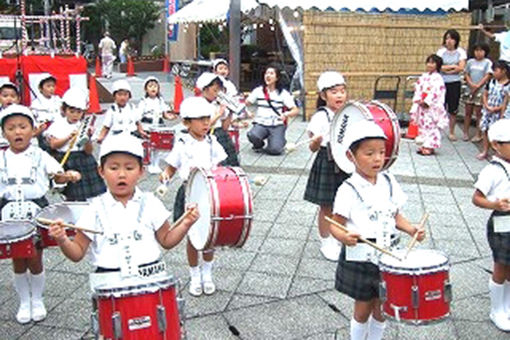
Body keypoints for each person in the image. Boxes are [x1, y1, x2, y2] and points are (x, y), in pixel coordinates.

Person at [48, 133, 199, 302]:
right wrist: (62, 239)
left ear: (141, 171)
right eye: (113, 168)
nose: (121, 174)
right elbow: (77, 253)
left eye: (129, 168)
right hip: (109, 285)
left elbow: (166, 240)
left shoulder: (151, 203)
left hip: (150, 278)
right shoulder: (94, 209)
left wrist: (186, 222)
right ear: (101, 171)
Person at [330, 120, 425, 340]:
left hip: (388, 252)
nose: (377, 159)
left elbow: (396, 216)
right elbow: (335, 224)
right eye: (369, 153)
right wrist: (345, 237)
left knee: (383, 305)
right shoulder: (348, 189)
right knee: (363, 307)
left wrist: (412, 229)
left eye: (382, 152)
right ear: (350, 156)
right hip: (362, 254)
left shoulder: (389, 181)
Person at [0, 104, 80, 324]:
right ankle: (24, 301)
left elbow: (57, 176)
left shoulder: (40, 155)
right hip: (9, 213)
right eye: (11, 128)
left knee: (35, 257)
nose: (17, 132)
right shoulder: (1, 157)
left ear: (32, 130)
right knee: (17, 258)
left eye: (23, 127)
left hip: (35, 211)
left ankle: (38, 299)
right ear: (3, 132)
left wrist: (68, 175)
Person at [160, 96, 227, 297]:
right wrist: (165, 177)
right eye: (200, 119)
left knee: (209, 236)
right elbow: (171, 169)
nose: (206, 123)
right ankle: (194, 274)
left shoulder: (212, 142)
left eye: (207, 118)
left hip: (209, 194)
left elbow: (221, 166)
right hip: (188, 192)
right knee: (192, 237)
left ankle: (207, 273)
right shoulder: (182, 143)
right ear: (187, 122)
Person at [303, 71, 349, 261]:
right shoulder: (320, 117)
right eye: (334, 92)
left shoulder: (348, 114)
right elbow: (312, 148)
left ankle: (340, 236)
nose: (339, 95)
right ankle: (326, 241)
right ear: (323, 96)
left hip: (346, 162)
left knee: (345, 203)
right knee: (327, 205)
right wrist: (316, 141)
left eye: (342, 91)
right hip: (327, 161)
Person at [472, 118, 510, 331]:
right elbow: (476, 198)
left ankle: (507, 307)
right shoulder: (493, 170)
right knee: (501, 266)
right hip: (502, 223)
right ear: (496, 145)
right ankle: (497, 310)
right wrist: (495, 203)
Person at [46, 87, 106, 201]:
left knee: (92, 195)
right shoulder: (57, 124)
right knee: (71, 195)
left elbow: (89, 150)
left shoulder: (84, 125)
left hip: (83, 158)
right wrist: (68, 137)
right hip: (65, 158)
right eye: (71, 111)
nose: (75, 115)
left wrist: (87, 138)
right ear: (64, 110)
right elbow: (53, 145)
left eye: (79, 112)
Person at [246, 64, 299, 155]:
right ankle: (259, 144)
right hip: (261, 123)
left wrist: (285, 114)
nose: (268, 76)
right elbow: (246, 103)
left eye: (271, 73)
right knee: (252, 135)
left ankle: (277, 140)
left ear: (277, 77)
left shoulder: (283, 93)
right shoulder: (258, 91)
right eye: (266, 73)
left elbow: (295, 110)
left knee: (275, 150)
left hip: (276, 125)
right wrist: (247, 112)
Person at [196, 72, 239, 166]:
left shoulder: (217, 103)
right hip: (208, 135)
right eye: (215, 90)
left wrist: (230, 111)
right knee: (219, 162)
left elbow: (225, 127)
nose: (217, 94)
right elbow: (203, 125)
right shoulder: (198, 103)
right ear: (205, 89)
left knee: (231, 159)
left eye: (219, 91)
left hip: (220, 133)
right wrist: (218, 114)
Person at [410, 54, 449, 155]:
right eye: (428, 62)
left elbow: (436, 92)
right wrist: (419, 99)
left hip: (432, 107)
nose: (430, 65)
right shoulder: (424, 76)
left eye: (433, 63)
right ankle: (424, 145)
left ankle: (430, 146)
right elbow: (418, 88)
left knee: (431, 126)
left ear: (437, 65)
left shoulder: (438, 78)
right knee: (423, 125)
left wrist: (427, 102)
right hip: (422, 105)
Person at [436, 29, 467, 141]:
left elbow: (461, 68)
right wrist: (453, 67)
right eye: (447, 38)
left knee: (453, 108)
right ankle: (438, 131)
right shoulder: (440, 52)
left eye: (452, 38)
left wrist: (447, 69)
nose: (449, 41)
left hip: (454, 83)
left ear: (456, 40)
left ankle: (452, 132)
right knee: (440, 107)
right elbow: (439, 67)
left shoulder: (461, 52)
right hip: (441, 82)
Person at [477, 61, 510, 160]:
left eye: (496, 70)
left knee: (498, 132)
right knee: (485, 129)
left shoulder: (508, 85)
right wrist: (486, 105)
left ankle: (498, 151)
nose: (494, 73)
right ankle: (485, 150)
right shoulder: (491, 82)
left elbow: (506, 101)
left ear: (504, 71)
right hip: (488, 110)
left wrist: (498, 109)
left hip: (499, 112)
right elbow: (485, 94)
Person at [97, 79, 146, 143]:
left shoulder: (132, 108)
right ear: (114, 96)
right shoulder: (112, 110)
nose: (122, 98)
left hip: (132, 137)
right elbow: (106, 127)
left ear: (129, 96)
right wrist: (100, 138)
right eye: (119, 95)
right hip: (117, 138)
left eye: (125, 95)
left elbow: (137, 123)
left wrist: (142, 132)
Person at [462, 43, 493, 142]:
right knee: (468, 112)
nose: (478, 53)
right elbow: (466, 74)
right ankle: (465, 132)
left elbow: (487, 75)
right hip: (469, 89)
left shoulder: (488, 62)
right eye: (476, 50)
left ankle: (478, 134)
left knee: (479, 113)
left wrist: (478, 85)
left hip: (481, 90)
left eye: (481, 50)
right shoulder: (470, 62)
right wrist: (471, 84)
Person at [31, 74, 62, 151]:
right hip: (44, 133)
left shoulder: (58, 100)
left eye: (53, 86)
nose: (51, 89)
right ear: (40, 88)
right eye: (48, 86)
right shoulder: (36, 104)